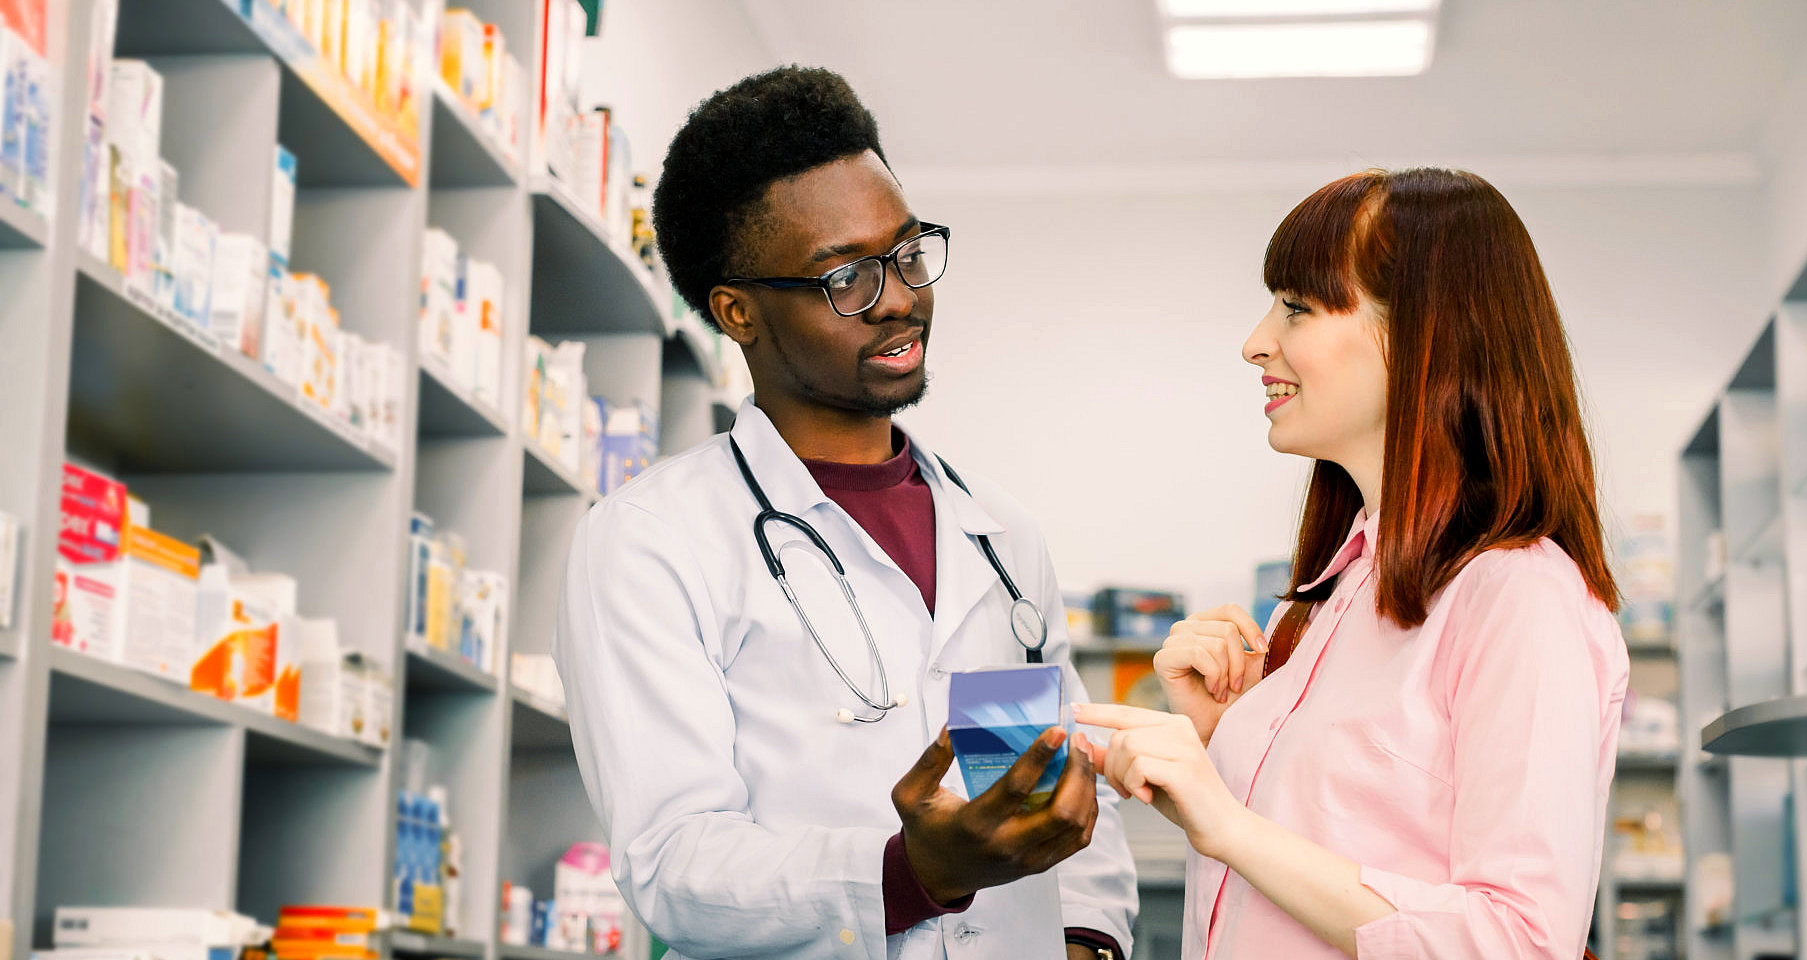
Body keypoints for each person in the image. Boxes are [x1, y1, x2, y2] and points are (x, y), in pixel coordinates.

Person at [552, 66, 1137, 960]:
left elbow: (1067, 776)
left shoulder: (1002, 539)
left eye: (906, 254)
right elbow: (671, 861)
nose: (899, 297)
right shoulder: (651, 542)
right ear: (737, 311)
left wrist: (1089, 941)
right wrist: (909, 872)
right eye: (845, 279)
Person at [1075, 168, 1629, 960]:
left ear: (1425, 333)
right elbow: (1328, 862)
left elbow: (1521, 939)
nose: (1255, 342)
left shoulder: (1519, 596)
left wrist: (1227, 824)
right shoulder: (1332, 595)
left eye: (1296, 307)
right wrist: (1218, 752)